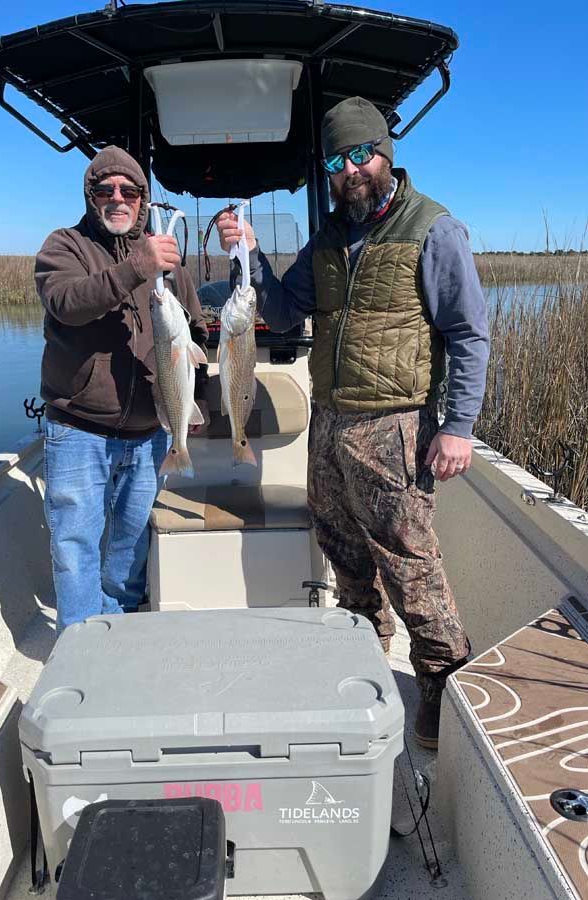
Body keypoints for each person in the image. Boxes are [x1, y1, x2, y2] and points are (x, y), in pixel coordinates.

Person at [217, 97, 489, 749]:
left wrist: (458, 426)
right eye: (337, 161)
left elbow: (468, 333)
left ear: (385, 154)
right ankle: (363, 661)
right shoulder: (330, 237)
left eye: (360, 155)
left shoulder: (433, 229)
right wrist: (251, 255)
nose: (349, 171)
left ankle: (441, 687)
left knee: (410, 566)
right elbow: (285, 312)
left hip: (396, 428)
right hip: (330, 424)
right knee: (344, 556)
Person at [35, 146, 208, 633]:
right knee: (75, 543)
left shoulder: (167, 260)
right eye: (105, 189)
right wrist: (136, 267)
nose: (117, 198)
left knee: (131, 542)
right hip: (78, 429)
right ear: (89, 196)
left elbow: (195, 330)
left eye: (129, 191)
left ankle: (121, 624)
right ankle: (80, 640)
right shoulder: (64, 246)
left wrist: (199, 401)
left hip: (150, 431)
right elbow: (66, 303)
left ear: (142, 200)